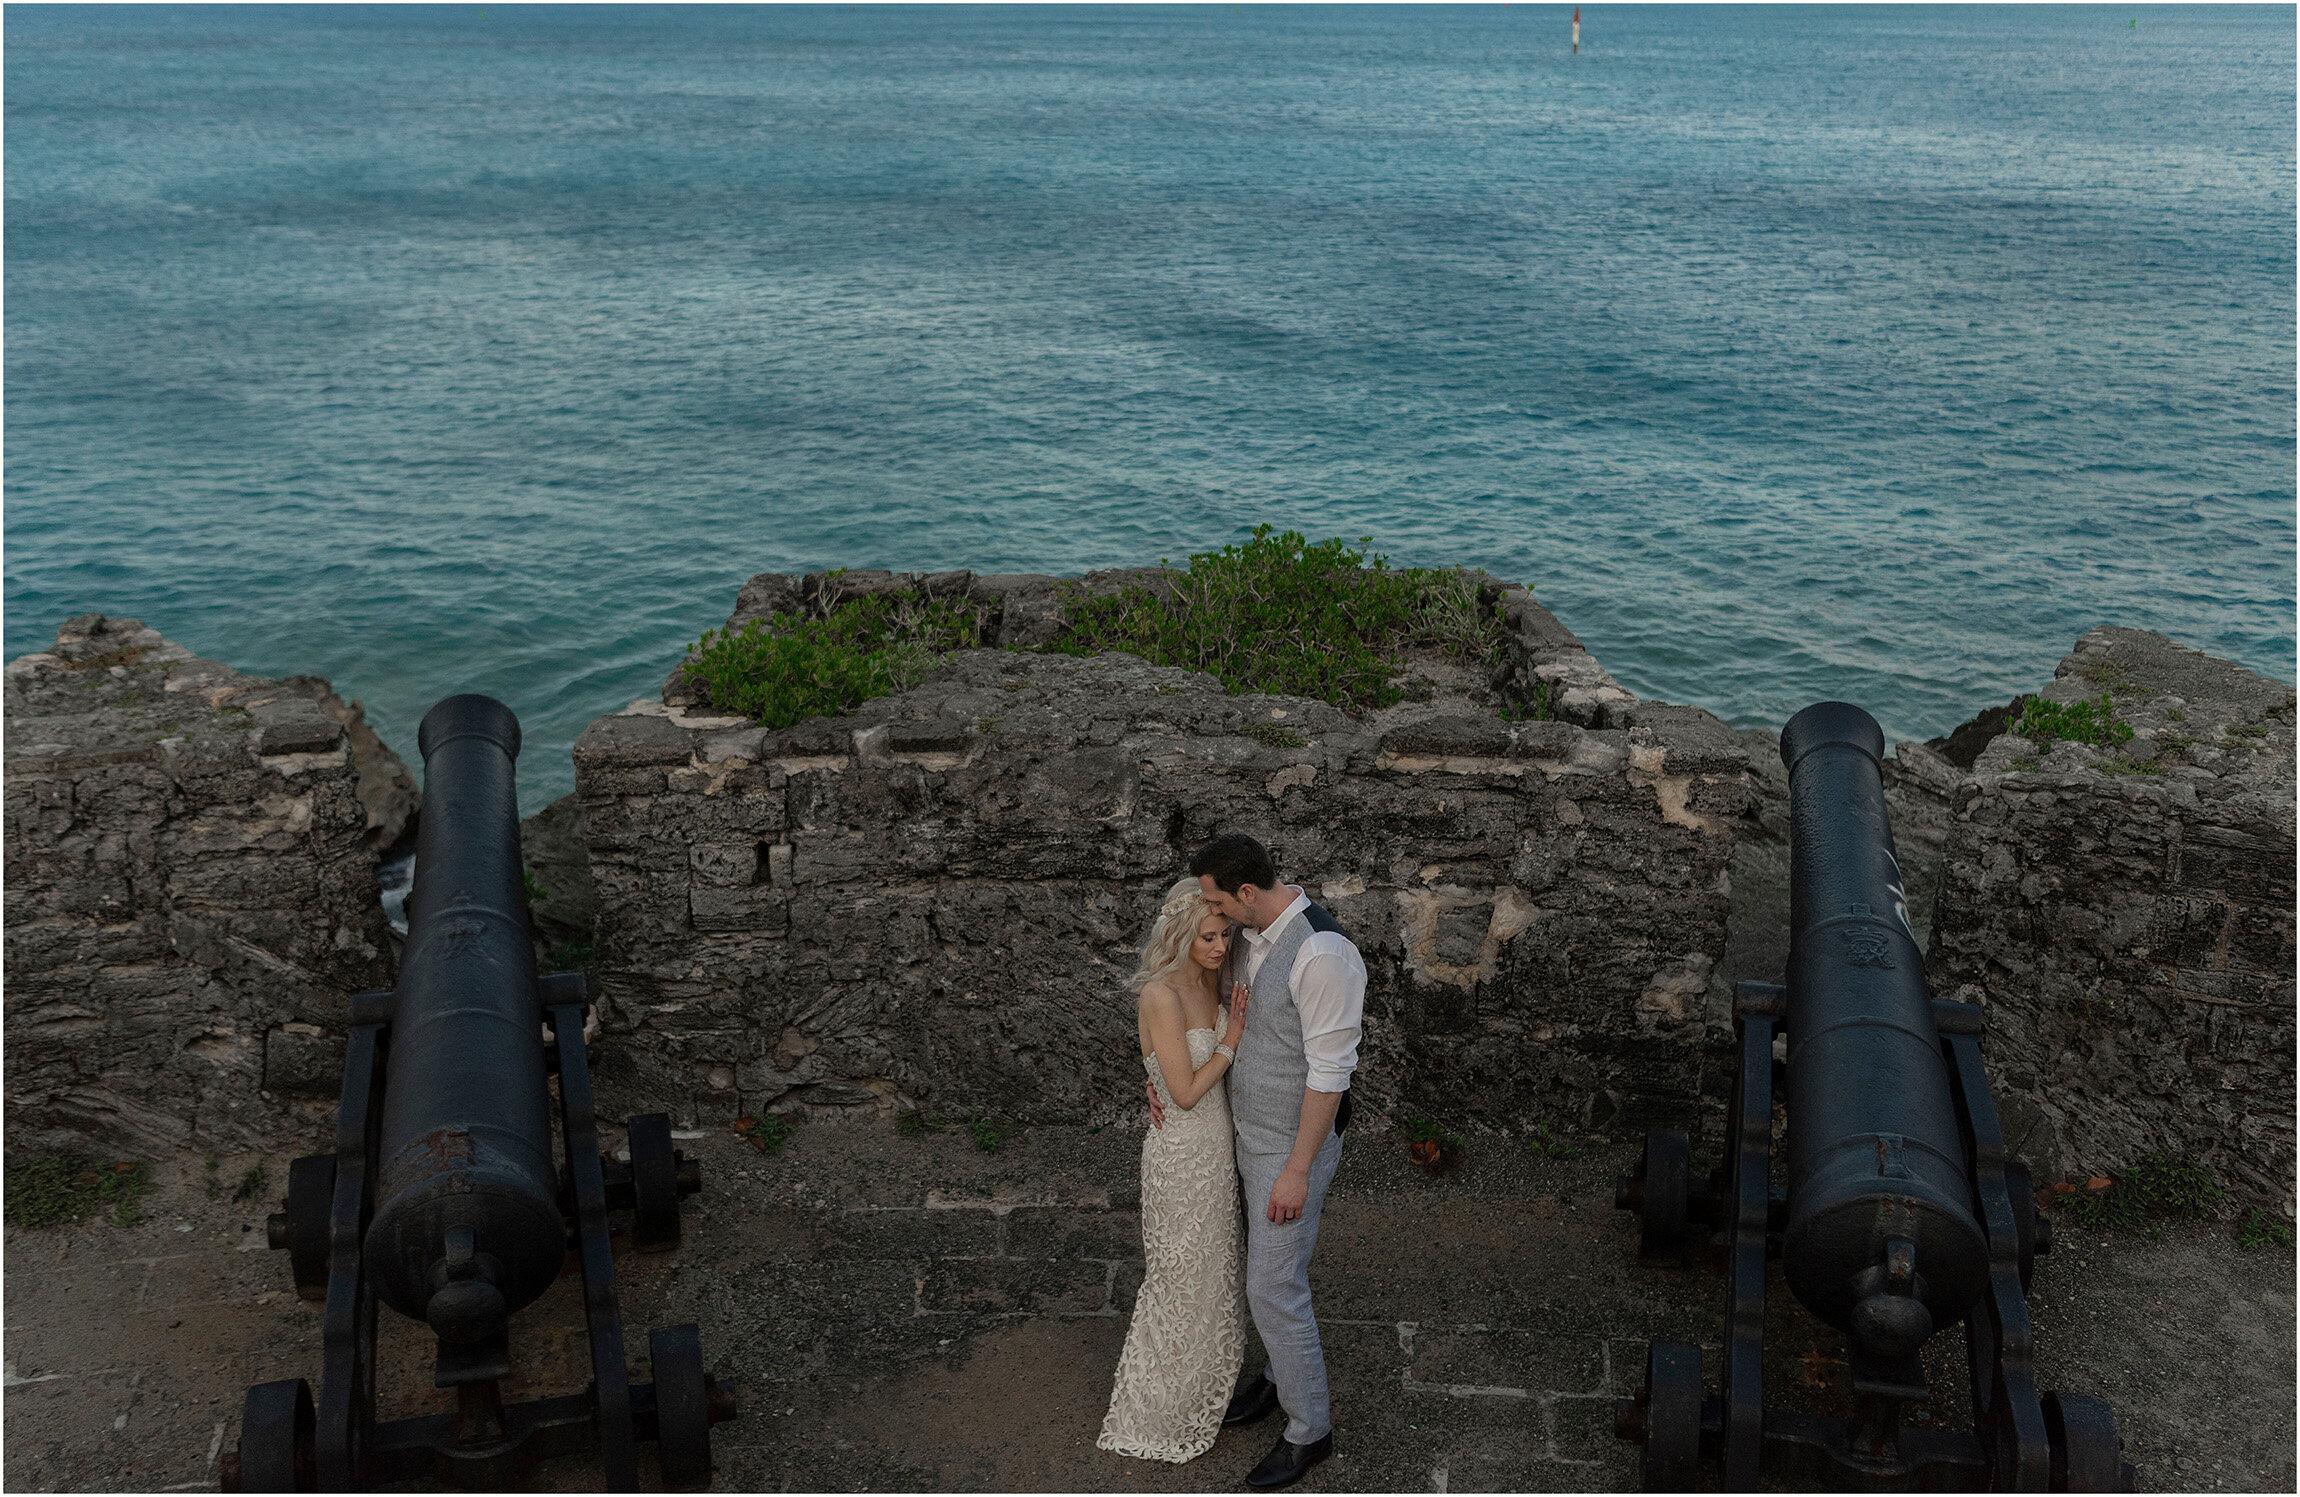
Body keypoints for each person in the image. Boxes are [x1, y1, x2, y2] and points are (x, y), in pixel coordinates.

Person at [1146, 832, 1366, 1491]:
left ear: (1246, 893)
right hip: (1242, 1135)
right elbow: (1197, 1005)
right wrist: (1159, 1074)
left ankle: (1310, 1431)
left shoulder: (1324, 955)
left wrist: (1296, 1169)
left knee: (1271, 1284)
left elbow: (1330, 1074)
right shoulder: (1244, 930)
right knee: (1275, 1268)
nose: (1207, 909)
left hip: (1289, 1147)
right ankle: (1277, 1374)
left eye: (1214, 897)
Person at [1097, 877, 1251, 1464]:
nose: (1219, 946)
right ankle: (1155, 1411)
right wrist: (1231, 1039)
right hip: (1180, 1156)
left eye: (1224, 934)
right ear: (1182, 935)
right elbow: (1184, 1092)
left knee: (1214, 1277)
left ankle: (1201, 1389)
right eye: (1208, 937)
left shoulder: (1210, 979)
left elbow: (1175, 1068)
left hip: (1216, 1154)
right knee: (1176, 1281)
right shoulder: (1159, 994)